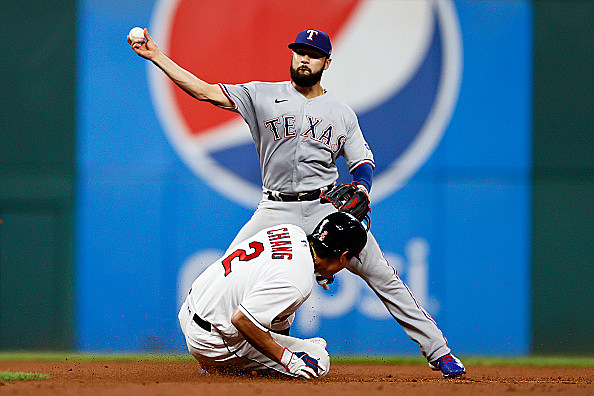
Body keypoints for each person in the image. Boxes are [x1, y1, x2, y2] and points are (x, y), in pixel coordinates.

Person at [129, 27, 465, 378]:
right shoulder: (260, 95)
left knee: (384, 276)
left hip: (325, 208)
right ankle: (225, 358)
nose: (304, 58)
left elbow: (362, 162)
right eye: (299, 51)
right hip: (274, 208)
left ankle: (439, 353)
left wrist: (362, 189)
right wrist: (157, 56)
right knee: (230, 275)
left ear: (327, 62)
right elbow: (205, 92)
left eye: (313, 54)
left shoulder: (341, 113)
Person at [178, 212, 367, 378]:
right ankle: (219, 367)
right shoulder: (297, 281)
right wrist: (288, 360)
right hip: (212, 342)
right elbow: (241, 319)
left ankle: (280, 350)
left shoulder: (291, 231)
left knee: (283, 307)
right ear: (343, 256)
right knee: (319, 361)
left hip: (190, 311)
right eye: (349, 259)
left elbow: (280, 269)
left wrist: (317, 271)